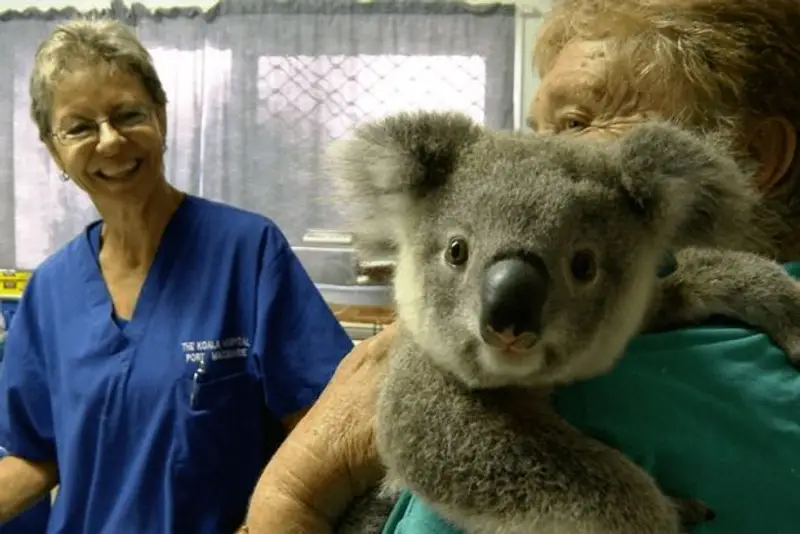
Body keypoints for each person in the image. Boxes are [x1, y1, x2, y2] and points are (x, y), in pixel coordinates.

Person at [259, 0, 800, 533]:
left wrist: (292, 491)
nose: (533, 152)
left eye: (575, 122)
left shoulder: (611, 397)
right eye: (535, 127)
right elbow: (671, 292)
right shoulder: (642, 307)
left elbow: (441, 446)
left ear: (749, 159)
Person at [0, 18, 371, 533]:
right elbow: (37, 454)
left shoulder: (247, 253)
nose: (109, 141)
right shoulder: (50, 292)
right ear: (53, 148)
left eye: (128, 115)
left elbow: (328, 429)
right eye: (79, 127)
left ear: (161, 118)